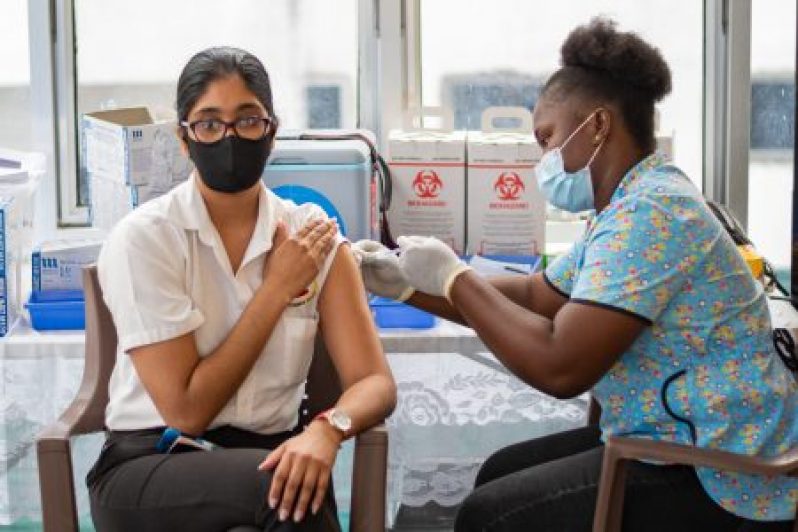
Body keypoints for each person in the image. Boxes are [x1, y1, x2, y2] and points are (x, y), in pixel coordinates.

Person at [355, 18, 798, 531]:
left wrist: (453, 277)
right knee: (498, 473)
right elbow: (537, 295)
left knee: (489, 517)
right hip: (673, 438)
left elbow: (560, 366)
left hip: (725, 471)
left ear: (598, 125)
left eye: (548, 138)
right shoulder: (625, 206)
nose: (543, 158)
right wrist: (410, 285)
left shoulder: (654, 213)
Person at [87, 46, 396, 532]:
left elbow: (374, 382)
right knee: (283, 491)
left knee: (289, 484)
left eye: (248, 120)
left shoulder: (310, 234)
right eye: (209, 123)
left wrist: (326, 430)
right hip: (153, 460)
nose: (229, 137)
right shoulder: (146, 238)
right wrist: (276, 290)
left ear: (271, 131)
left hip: (264, 457)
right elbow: (187, 411)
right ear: (184, 140)